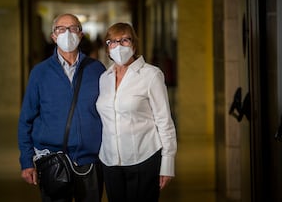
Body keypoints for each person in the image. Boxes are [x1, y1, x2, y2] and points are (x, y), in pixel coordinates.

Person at [18, 13, 106, 202]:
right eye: (61, 29)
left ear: (81, 35)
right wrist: (27, 161)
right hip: (53, 162)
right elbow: (26, 119)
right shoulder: (40, 73)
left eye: (73, 28)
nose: (67, 33)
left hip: (90, 161)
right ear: (53, 36)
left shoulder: (97, 70)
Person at [96, 22, 177, 202]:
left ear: (134, 44)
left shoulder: (151, 75)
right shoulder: (104, 78)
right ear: (107, 48)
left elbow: (164, 121)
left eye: (125, 40)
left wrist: (168, 163)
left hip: (144, 158)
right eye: (113, 42)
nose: (119, 46)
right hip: (110, 162)